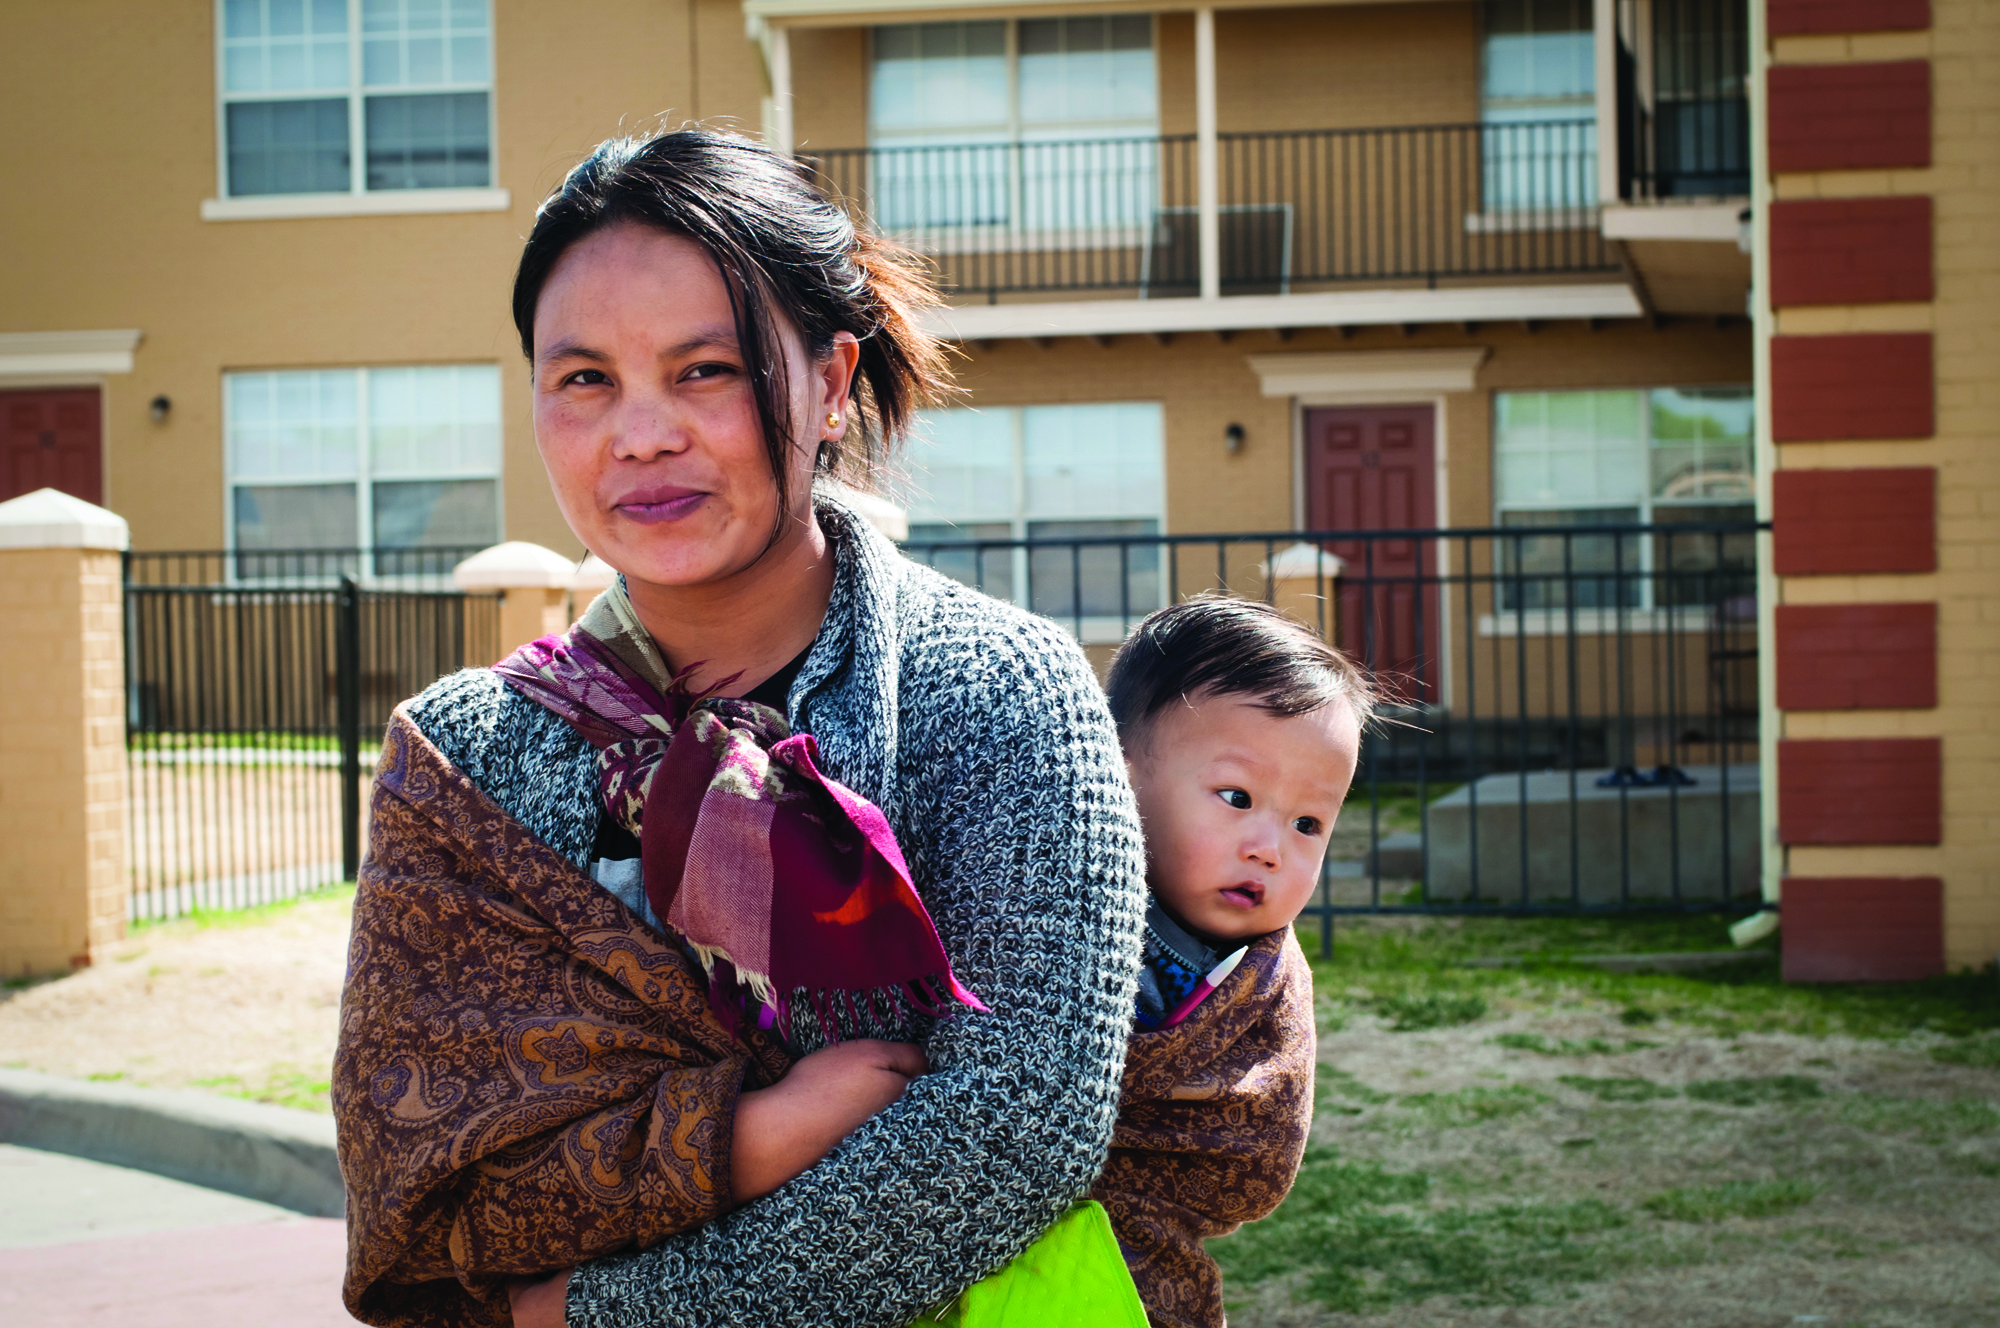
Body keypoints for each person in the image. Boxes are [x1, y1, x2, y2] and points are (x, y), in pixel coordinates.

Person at [331, 127, 1147, 1328]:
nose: (641, 432)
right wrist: (752, 1133)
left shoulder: (993, 693)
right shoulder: (464, 760)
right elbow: (424, 1194)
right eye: (585, 377)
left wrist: (585, 1315)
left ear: (827, 380)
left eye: (703, 369)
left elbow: (1016, 1130)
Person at [1088, 596, 1372, 1328]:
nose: (1271, 846)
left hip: (1131, 1267)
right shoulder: (1050, 893)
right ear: (1117, 778)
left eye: (1309, 822)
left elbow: (1255, 1152)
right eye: (1237, 797)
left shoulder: (1260, 977)